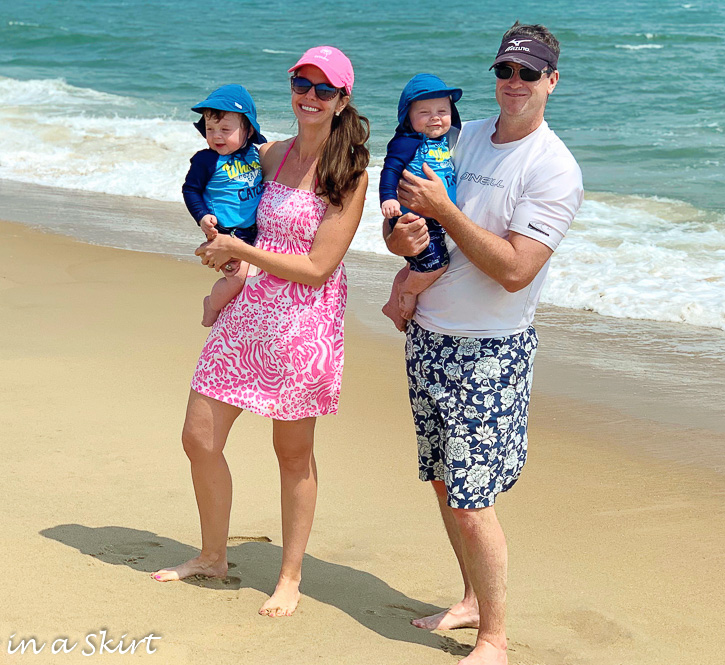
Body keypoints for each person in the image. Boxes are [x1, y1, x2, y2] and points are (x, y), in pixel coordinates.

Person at [385, 22, 583, 665]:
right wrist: (405, 244)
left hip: (490, 350)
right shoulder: (459, 136)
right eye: (506, 72)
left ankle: (495, 638)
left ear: (552, 80)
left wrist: (445, 212)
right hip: (429, 336)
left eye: (529, 73)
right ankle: (470, 600)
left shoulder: (552, 167)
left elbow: (515, 269)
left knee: (474, 500)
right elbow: (405, 232)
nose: (514, 84)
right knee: (443, 483)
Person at [152, 46, 370, 619]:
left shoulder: (349, 174)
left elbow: (320, 267)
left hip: (304, 323)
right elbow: (219, 179)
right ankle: (213, 556)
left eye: (324, 89)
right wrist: (214, 238)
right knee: (199, 437)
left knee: (292, 454)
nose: (311, 96)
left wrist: (241, 250)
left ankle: (291, 577)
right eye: (302, 83)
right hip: (249, 310)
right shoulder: (270, 155)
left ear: (343, 98)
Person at [379, 74, 462, 331]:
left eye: (442, 110)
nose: (435, 117)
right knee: (436, 264)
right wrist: (388, 198)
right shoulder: (408, 142)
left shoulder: (444, 141)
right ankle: (407, 293)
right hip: (412, 219)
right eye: (424, 112)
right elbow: (390, 169)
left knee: (417, 263)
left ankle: (393, 304)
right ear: (408, 118)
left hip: (433, 218)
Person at [181, 84, 267, 327]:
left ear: (248, 130)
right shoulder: (206, 160)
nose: (216, 135)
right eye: (210, 129)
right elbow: (191, 190)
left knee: (259, 277)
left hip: (254, 233)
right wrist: (202, 216)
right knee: (237, 278)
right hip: (226, 233)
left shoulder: (256, 155)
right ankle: (212, 304)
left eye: (225, 129)